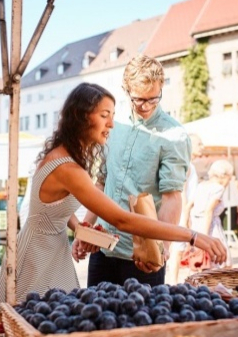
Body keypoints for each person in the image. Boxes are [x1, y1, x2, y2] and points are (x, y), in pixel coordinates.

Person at [0, 83, 225, 316]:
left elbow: (52, 208)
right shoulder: (68, 168)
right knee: (39, 330)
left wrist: (79, 227)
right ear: (80, 116)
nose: (111, 124)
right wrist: (192, 236)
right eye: (104, 116)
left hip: (49, 250)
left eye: (112, 115)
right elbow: (122, 220)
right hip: (39, 257)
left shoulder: (63, 156)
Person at [73, 55, 192, 287]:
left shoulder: (174, 135)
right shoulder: (114, 125)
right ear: (126, 90)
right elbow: (101, 183)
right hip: (103, 248)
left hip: (143, 256)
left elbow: (171, 197)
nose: (146, 106)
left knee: (140, 322)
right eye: (139, 100)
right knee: (96, 319)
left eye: (153, 99)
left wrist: (163, 249)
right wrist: (84, 230)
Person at [183, 160, 234, 272]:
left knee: (201, 264)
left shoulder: (201, 185)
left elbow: (189, 206)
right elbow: (208, 211)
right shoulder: (218, 188)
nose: (229, 181)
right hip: (210, 226)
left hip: (195, 225)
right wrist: (205, 236)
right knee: (218, 262)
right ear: (224, 176)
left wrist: (187, 225)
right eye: (229, 178)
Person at [167, 133, 203, 284]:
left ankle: (172, 280)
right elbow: (181, 193)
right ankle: (173, 282)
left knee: (177, 249)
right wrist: (186, 217)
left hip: (182, 211)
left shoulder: (188, 165)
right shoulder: (186, 165)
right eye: (199, 144)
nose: (203, 147)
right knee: (177, 249)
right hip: (181, 212)